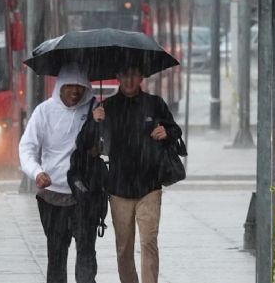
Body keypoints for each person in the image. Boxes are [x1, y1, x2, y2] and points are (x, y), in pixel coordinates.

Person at [87, 66, 182, 283]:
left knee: (149, 241)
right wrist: (95, 121)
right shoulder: (107, 107)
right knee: (123, 249)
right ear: (118, 76)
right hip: (119, 188)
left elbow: (175, 130)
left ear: (141, 77)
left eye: (134, 75)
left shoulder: (155, 104)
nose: (129, 80)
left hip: (150, 186)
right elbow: (91, 144)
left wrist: (167, 132)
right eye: (124, 75)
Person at [19, 63, 98, 283]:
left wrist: (99, 126)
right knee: (56, 255)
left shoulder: (94, 110)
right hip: (52, 196)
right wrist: (37, 172)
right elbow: (27, 148)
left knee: (86, 253)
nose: (75, 91)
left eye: (80, 87)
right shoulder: (44, 112)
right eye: (70, 86)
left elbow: (105, 145)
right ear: (60, 86)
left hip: (84, 195)